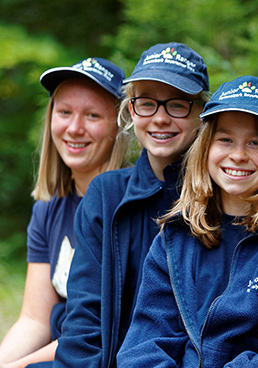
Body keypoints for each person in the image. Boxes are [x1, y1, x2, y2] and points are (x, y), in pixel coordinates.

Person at [115, 75, 258, 367]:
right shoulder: (175, 237)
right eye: (225, 140)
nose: (238, 155)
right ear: (205, 148)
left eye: (255, 143)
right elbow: (144, 343)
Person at [52, 42, 210, 368]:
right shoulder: (107, 195)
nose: (160, 119)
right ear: (130, 109)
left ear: (200, 113)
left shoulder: (220, 197)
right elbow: (84, 316)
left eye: (177, 105)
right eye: (147, 104)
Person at [0, 58, 128, 368]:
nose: (74, 128)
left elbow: (96, 331)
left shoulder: (129, 206)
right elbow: (34, 319)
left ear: (119, 125)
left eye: (93, 115)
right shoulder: (48, 209)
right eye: (64, 112)